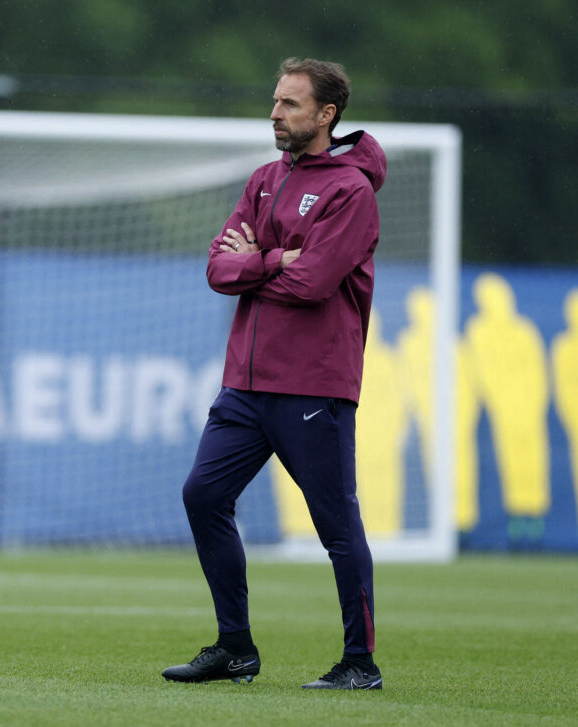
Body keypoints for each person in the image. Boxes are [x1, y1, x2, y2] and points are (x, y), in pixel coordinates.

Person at [161, 57, 386, 690]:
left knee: (336, 528)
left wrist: (256, 261)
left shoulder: (350, 191)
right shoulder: (264, 179)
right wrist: (274, 257)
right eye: (275, 99)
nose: (275, 112)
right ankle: (235, 648)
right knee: (202, 495)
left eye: (290, 103)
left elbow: (313, 283)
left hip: (312, 385)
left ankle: (358, 663)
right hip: (245, 385)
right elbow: (216, 269)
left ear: (326, 114)